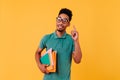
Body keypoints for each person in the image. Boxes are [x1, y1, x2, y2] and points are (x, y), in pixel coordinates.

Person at [35, 8, 82, 80]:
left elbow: (78, 60)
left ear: (68, 24)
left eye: (64, 20)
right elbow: (37, 53)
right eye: (59, 19)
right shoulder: (47, 38)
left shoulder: (71, 40)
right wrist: (40, 65)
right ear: (56, 20)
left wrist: (76, 40)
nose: (61, 22)